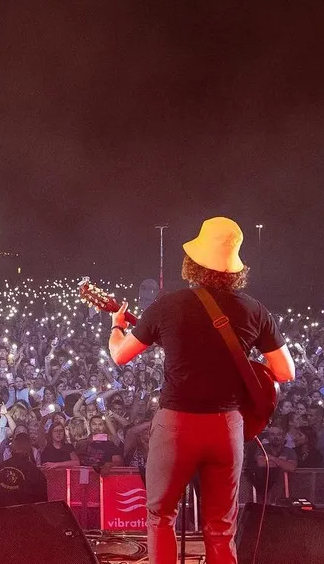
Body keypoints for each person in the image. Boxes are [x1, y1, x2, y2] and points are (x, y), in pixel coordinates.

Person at [108, 217, 295, 564]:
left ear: (193, 262)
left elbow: (121, 355)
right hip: (227, 426)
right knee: (221, 526)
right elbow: (285, 371)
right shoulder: (255, 310)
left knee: (161, 516)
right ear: (234, 269)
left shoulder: (167, 305)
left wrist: (117, 327)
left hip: (176, 424)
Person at [0, 433, 48, 508]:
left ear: (13, 447)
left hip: (2, 515)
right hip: (25, 515)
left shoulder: (0, 467)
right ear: (29, 448)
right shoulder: (35, 472)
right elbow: (42, 503)